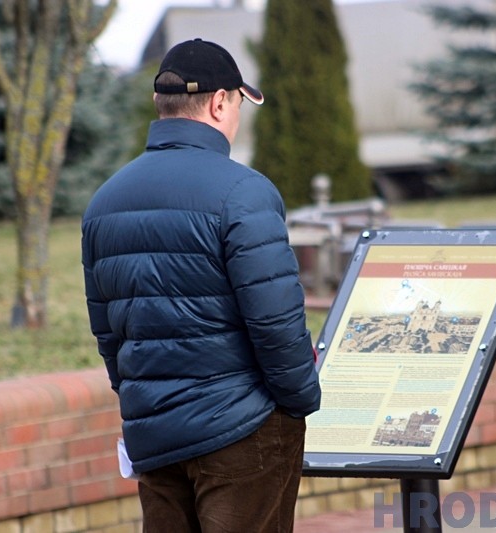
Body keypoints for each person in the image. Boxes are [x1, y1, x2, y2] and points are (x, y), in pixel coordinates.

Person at [81, 38, 322, 533]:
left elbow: (108, 333)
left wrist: (143, 400)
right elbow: (275, 321)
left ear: (159, 104)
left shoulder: (103, 202)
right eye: (237, 104)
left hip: (154, 435)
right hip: (242, 429)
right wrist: (299, 402)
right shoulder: (245, 192)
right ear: (219, 103)